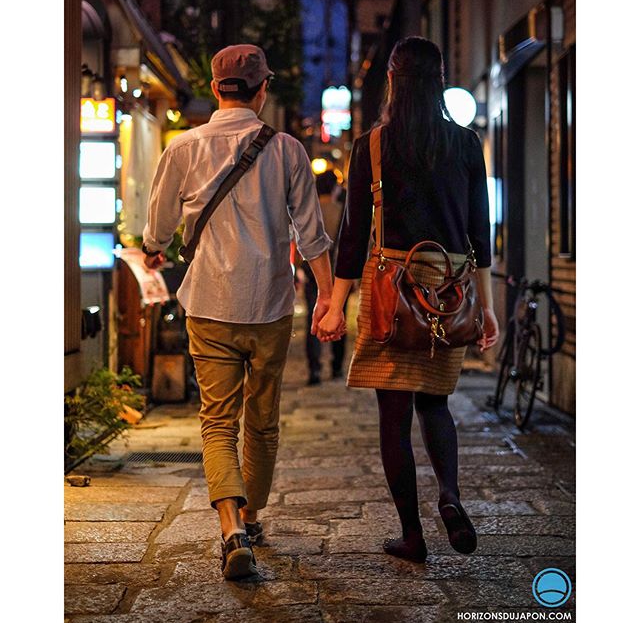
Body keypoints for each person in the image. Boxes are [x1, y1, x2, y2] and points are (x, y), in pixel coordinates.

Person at [142, 44, 344, 580]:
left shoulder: (182, 148)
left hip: (208, 304)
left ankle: (231, 527)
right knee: (262, 422)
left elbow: (157, 227)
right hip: (271, 305)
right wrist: (326, 299)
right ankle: (252, 518)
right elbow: (312, 234)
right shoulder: (286, 151)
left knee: (216, 422)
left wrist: (156, 245)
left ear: (214, 88)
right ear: (261, 90)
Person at [318, 37, 499, 563]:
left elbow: (352, 237)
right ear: (440, 80)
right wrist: (485, 307)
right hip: (448, 289)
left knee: (392, 416)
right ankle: (450, 495)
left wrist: (334, 303)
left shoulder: (371, 147)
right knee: (436, 405)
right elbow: (478, 234)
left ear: (392, 81)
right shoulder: (466, 145)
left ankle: (411, 535)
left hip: (390, 291)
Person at [299, 168, 347, 385]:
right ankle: (337, 366)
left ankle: (314, 370)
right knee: (339, 315)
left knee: (313, 317)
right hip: (340, 274)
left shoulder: (311, 211)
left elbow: (299, 242)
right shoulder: (341, 211)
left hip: (312, 272)